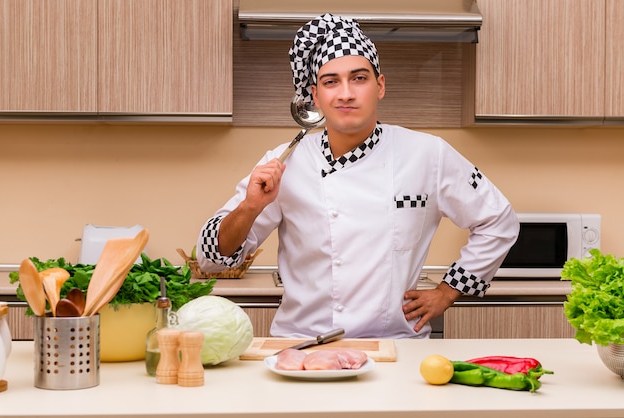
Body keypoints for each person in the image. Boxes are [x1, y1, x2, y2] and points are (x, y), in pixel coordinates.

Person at [197, 13, 519, 339]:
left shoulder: (428, 154)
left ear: (380, 85)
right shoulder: (283, 163)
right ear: (316, 95)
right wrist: (249, 208)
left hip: (394, 347)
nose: (346, 93)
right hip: (302, 345)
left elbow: (499, 220)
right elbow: (212, 260)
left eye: (359, 78)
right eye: (331, 82)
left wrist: (447, 291)